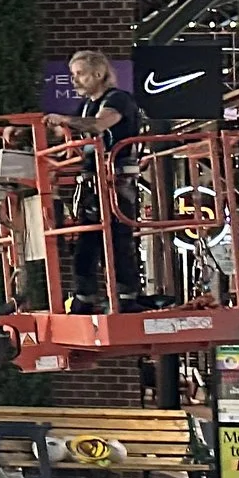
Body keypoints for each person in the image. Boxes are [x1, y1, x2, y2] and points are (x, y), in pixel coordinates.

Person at [44, 49, 146, 313]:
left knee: (117, 238)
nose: (74, 80)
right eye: (73, 75)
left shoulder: (117, 100)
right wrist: (24, 132)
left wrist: (65, 119)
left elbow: (99, 125)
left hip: (116, 179)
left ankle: (126, 297)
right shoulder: (88, 105)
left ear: (98, 74)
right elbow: (64, 131)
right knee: (87, 241)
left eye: (80, 74)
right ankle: (85, 297)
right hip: (94, 180)